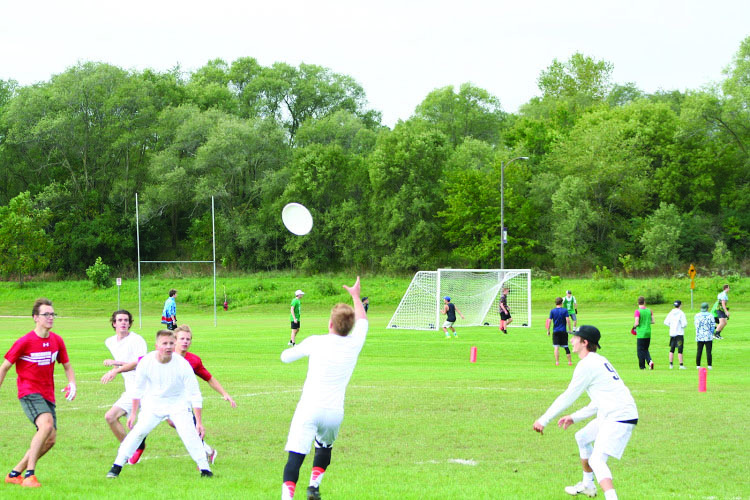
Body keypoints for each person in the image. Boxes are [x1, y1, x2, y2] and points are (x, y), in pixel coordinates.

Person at [280, 277, 368, 500]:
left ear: (330, 324)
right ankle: (314, 486)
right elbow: (363, 320)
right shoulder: (354, 343)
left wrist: (290, 349)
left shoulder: (315, 341)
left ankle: (287, 497)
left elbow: (285, 358)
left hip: (309, 408)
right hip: (334, 413)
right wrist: (356, 296)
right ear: (350, 327)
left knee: (295, 458)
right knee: (325, 447)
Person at [533, 326, 638, 500]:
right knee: (582, 437)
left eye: (575, 338)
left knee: (597, 460)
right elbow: (598, 402)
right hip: (611, 413)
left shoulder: (587, 364)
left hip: (619, 416)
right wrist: (575, 417)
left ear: (585, 342)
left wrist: (544, 419)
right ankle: (588, 485)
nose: (572, 340)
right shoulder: (598, 360)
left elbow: (568, 396)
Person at [106, 330, 212, 478]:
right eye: (165, 343)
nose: (168, 347)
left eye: (171, 343)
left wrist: (199, 422)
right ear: (157, 346)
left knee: (189, 435)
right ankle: (116, 466)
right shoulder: (146, 362)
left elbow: (195, 394)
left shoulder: (182, 364)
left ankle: (205, 469)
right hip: (153, 404)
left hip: (178, 404)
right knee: (138, 432)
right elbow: (137, 390)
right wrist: (134, 413)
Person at [0, 298, 77, 487]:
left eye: (52, 314)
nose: (50, 317)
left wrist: (72, 383)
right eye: (46, 314)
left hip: (47, 394)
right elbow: (4, 368)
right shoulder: (24, 342)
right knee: (46, 425)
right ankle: (30, 475)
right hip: (29, 391)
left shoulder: (57, 340)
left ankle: (14, 473)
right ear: (35, 317)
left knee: (50, 440)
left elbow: (67, 365)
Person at [173, 324, 237, 464]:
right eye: (182, 338)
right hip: (166, 398)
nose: (185, 342)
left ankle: (205, 455)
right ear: (175, 340)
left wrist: (224, 393)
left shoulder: (194, 360)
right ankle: (208, 451)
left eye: (188, 339)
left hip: (185, 400)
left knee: (189, 427)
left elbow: (209, 378)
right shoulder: (166, 356)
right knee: (175, 423)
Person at [101, 310, 149, 464]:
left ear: (130, 323)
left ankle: (206, 450)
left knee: (175, 422)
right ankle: (131, 449)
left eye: (126, 320)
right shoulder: (110, 341)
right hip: (131, 390)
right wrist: (117, 365)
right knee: (110, 417)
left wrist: (116, 366)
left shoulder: (137, 340)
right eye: (120, 320)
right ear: (114, 323)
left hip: (145, 388)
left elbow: (141, 364)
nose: (123, 323)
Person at [546, 297, 572, 366]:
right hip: (563, 331)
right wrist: (569, 329)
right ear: (562, 303)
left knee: (556, 347)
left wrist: (548, 330)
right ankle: (569, 362)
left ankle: (557, 362)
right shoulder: (565, 310)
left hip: (555, 331)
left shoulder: (552, 311)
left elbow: (549, 321)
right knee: (566, 346)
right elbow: (568, 320)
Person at [663, 300, 687, 369]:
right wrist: (680, 326)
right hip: (679, 334)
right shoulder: (681, 313)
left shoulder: (671, 312)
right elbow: (684, 324)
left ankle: (671, 364)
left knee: (672, 348)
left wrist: (672, 326)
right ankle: (681, 365)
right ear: (680, 305)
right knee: (680, 349)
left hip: (672, 333)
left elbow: (666, 322)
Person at [633, 296, 655, 370]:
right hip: (648, 332)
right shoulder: (649, 310)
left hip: (641, 333)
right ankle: (650, 361)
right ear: (644, 302)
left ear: (638, 303)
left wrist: (634, 327)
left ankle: (642, 366)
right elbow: (653, 321)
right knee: (645, 349)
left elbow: (637, 322)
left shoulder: (637, 311)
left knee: (640, 350)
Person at [695, 302, 715, 370]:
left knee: (699, 351)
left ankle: (698, 365)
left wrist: (697, 334)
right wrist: (711, 333)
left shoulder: (697, 315)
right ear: (707, 308)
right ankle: (709, 365)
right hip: (708, 336)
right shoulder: (710, 316)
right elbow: (713, 326)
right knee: (709, 351)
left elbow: (696, 326)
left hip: (700, 335)